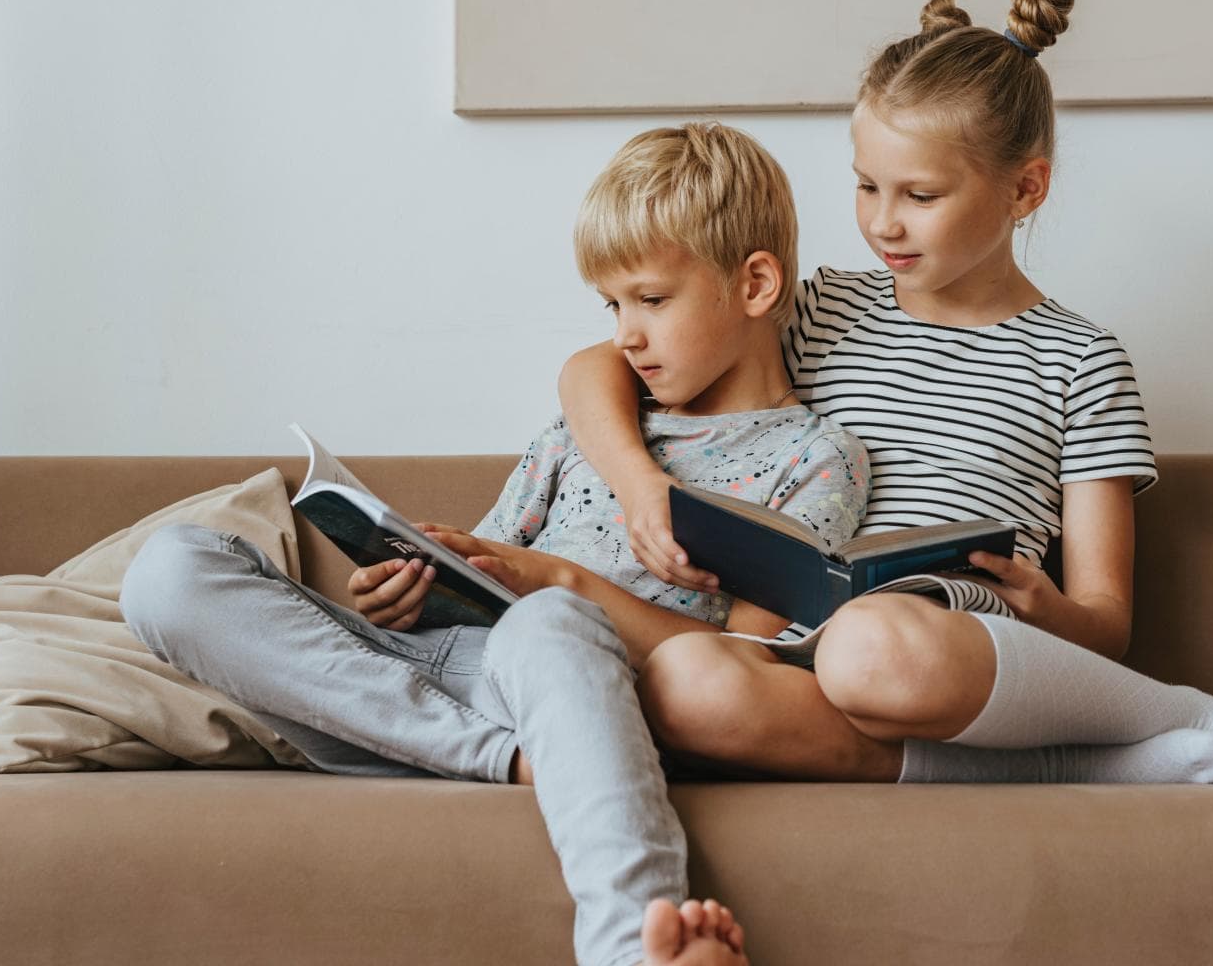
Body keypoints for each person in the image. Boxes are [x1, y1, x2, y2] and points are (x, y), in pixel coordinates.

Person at [558, 0, 1213, 790]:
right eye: (867, 185)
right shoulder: (821, 309)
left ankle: (1195, 714)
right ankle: (1079, 768)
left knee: (868, 645)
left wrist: (1040, 604)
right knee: (686, 682)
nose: (883, 222)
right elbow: (593, 367)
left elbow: (1105, 621)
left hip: (958, 643)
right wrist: (642, 487)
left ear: (1025, 190)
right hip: (798, 655)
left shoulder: (1079, 362)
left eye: (921, 195)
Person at [120, 122, 875, 966]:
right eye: (612, 306)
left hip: (598, 695)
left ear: (756, 284)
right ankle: (514, 763)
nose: (625, 333)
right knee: (170, 570)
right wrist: (408, 587)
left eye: (652, 301)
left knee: (549, 623)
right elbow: (483, 561)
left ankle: (635, 947)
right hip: (425, 689)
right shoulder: (587, 426)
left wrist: (562, 586)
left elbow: (745, 666)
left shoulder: (812, 461)